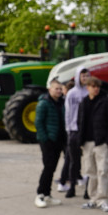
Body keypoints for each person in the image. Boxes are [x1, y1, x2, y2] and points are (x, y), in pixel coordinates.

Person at [77, 77, 108, 212]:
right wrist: (80, 140)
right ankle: (93, 198)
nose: (96, 89)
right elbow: (80, 121)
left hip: (101, 142)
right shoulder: (84, 102)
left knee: (102, 171)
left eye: (97, 86)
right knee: (90, 171)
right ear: (87, 87)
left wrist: (107, 141)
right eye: (93, 86)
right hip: (87, 142)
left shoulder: (106, 102)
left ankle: (103, 199)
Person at [34, 78, 67, 208]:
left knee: (52, 168)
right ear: (50, 89)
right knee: (48, 167)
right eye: (56, 89)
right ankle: (40, 194)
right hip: (48, 141)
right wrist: (45, 138)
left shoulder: (61, 102)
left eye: (60, 89)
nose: (59, 91)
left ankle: (47, 195)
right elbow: (38, 123)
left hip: (59, 140)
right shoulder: (44, 103)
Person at [62, 67, 89, 199]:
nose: (85, 78)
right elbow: (68, 112)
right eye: (82, 76)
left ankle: (88, 189)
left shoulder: (89, 92)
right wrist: (69, 129)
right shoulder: (72, 94)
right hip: (74, 129)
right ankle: (72, 186)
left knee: (89, 161)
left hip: (87, 130)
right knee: (74, 160)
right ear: (78, 77)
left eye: (87, 76)